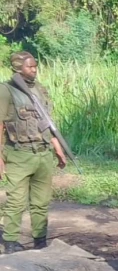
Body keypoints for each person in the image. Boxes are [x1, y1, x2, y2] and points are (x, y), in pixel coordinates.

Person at [0, 52, 67, 253]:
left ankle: (40, 242)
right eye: (30, 67)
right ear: (18, 68)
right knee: (15, 202)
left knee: (41, 202)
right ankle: (10, 243)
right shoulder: (6, 91)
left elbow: (46, 123)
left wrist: (57, 147)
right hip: (19, 154)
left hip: (43, 154)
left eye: (35, 66)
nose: (34, 70)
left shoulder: (40, 90)